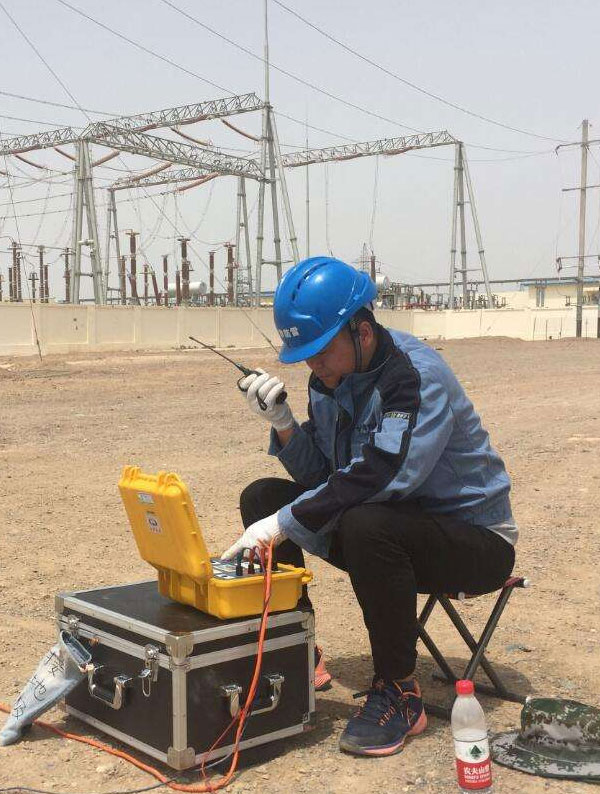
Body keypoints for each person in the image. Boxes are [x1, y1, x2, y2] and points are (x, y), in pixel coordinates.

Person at [222, 256, 517, 758]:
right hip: (389, 527)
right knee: (263, 497)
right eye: (304, 354)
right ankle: (294, 652)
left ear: (361, 330)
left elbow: (382, 478)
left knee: (362, 522)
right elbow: (325, 479)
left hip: (473, 541)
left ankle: (401, 694)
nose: (312, 365)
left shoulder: (413, 377)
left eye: (319, 350)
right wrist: (285, 423)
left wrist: (284, 526)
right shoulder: (331, 379)